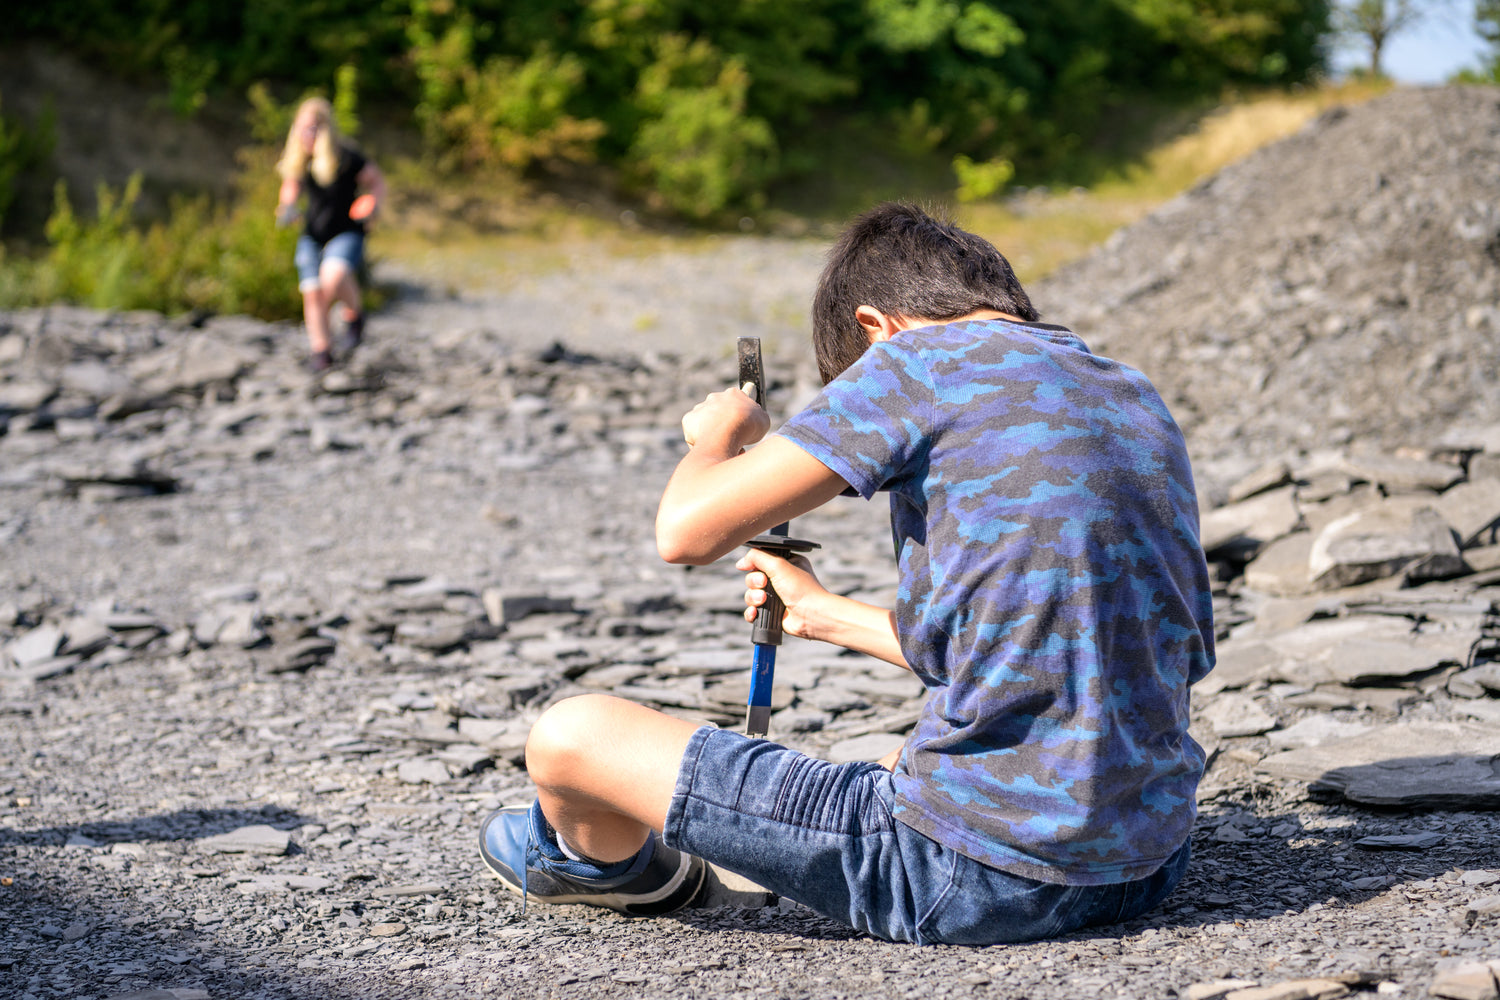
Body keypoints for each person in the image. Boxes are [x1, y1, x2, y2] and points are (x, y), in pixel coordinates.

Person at [478, 202, 1215, 945]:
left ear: (875, 326)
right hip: (1147, 862)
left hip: (969, 880)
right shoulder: (1125, 387)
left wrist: (719, 437)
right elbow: (1057, 640)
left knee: (571, 736)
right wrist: (818, 611)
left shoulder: (914, 360)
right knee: (895, 757)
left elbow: (684, 532)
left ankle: (603, 870)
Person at [275, 97, 385, 372]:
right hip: (313, 232)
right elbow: (290, 188)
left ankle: (354, 315)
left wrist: (372, 203)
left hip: (347, 229)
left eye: (313, 128)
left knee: (333, 277)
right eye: (303, 128)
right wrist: (288, 208)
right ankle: (322, 351)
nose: (307, 134)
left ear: (325, 128)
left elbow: (376, 182)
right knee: (313, 293)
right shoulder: (301, 158)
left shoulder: (346, 156)